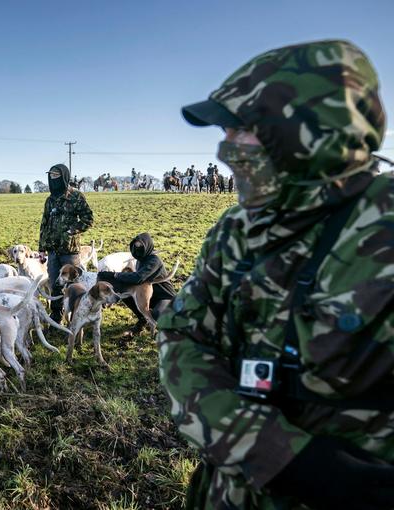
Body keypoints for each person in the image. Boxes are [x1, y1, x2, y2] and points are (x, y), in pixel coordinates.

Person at [157, 39, 394, 509]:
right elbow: (182, 336)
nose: (225, 149)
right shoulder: (235, 231)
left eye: (241, 129)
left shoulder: (383, 235)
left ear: (308, 132)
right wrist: (278, 456)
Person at [38, 163, 94, 322]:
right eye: (51, 176)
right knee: (55, 284)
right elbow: (44, 223)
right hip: (53, 251)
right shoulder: (49, 200)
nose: (53, 178)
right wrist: (41, 248)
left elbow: (88, 219)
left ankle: (77, 314)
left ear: (64, 177)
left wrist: (72, 230)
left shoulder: (76, 196)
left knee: (74, 284)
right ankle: (56, 315)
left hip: (70, 251)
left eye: (56, 175)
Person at [97, 232, 176, 337]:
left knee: (156, 315)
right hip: (147, 294)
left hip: (164, 297)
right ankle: (143, 319)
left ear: (147, 246)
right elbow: (135, 280)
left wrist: (115, 275)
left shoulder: (154, 260)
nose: (137, 249)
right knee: (124, 293)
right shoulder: (140, 260)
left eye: (140, 246)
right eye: (136, 246)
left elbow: (138, 278)